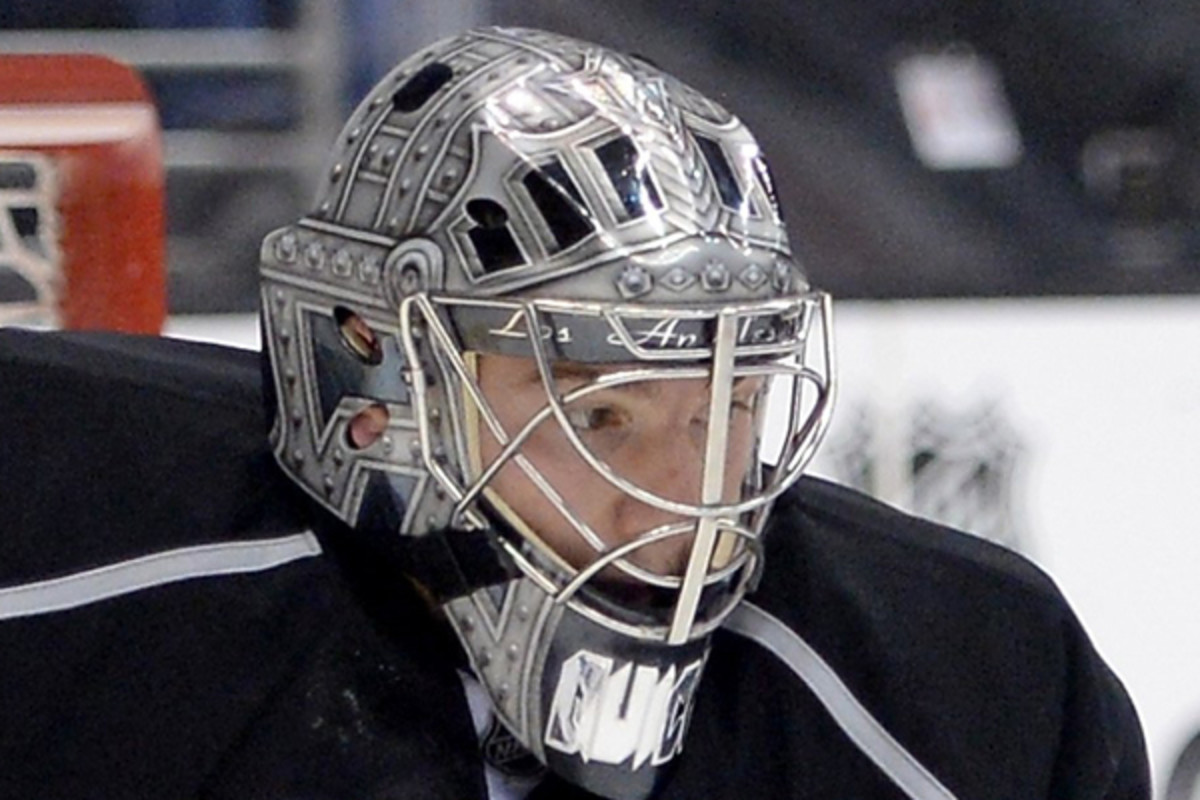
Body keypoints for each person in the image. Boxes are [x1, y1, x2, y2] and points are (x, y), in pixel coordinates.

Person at [0, 27, 1148, 800]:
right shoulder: (72, 573)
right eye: (602, 416)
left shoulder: (972, 692)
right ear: (375, 371)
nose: (686, 509)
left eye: (731, 403)